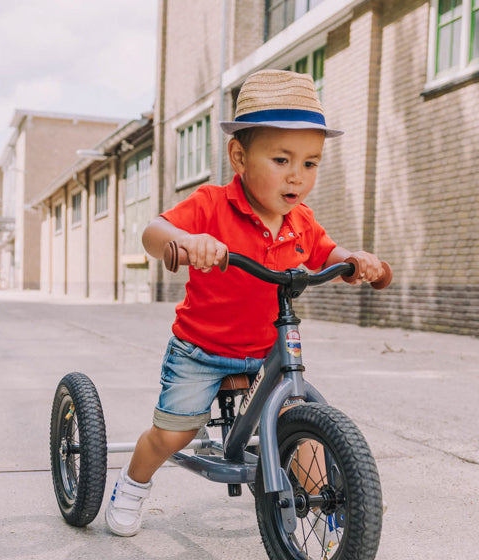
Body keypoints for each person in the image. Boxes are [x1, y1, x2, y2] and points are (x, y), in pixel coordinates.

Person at [105, 69, 385, 536]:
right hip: (201, 349)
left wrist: (353, 260)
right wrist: (187, 240)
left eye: (311, 163)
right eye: (281, 159)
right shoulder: (212, 204)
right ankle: (133, 484)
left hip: (267, 355)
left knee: (301, 423)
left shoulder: (302, 221)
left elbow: (327, 253)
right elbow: (154, 233)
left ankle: (326, 519)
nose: (297, 175)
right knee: (174, 434)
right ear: (239, 155)